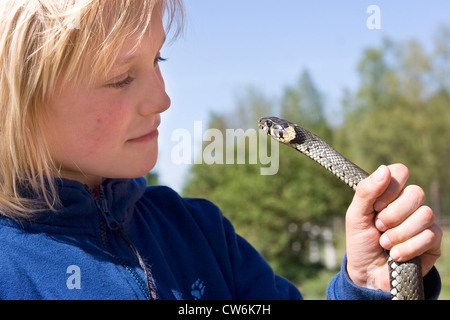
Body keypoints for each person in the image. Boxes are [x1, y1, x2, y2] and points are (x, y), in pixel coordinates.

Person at [0, 0, 441, 300]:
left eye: (158, 60)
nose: (163, 99)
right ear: (16, 102)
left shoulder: (202, 233)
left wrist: (366, 285)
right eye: (120, 78)